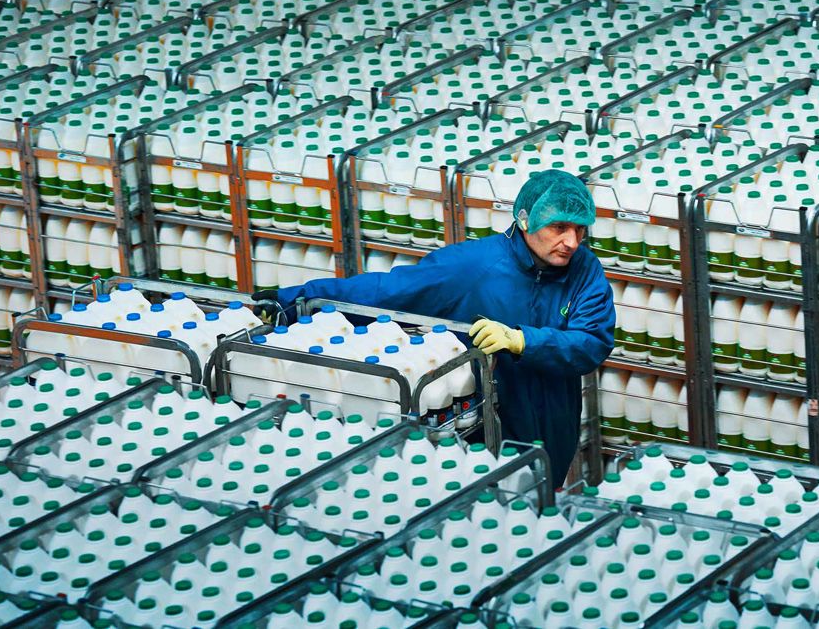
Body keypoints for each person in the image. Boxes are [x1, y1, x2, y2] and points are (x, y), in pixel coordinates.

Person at [256, 169, 615, 484]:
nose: (572, 242)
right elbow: (386, 291)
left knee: (541, 504)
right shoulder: (474, 267)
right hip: (486, 431)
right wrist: (294, 300)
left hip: (556, 425)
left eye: (580, 230)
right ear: (525, 220)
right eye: (559, 228)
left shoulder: (584, 269)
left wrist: (522, 340)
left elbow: (591, 342)